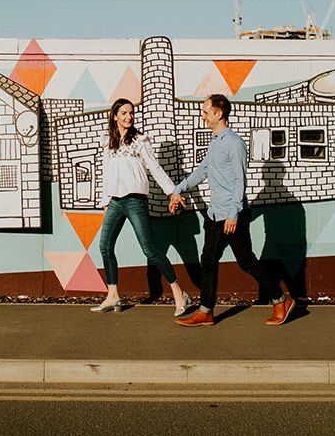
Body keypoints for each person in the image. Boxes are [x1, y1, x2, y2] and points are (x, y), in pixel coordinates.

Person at [170, 94, 295, 327]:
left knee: (246, 262)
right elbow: (202, 170)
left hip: (230, 215)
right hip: (214, 214)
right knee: (208, 260)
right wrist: (178, 189)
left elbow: (240, 181)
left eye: (206, 111)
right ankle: (206, 311)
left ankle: (281, 299)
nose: (203, 115)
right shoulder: (215, 141)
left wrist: (233, 213)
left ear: (219, 113)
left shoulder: (234, 143)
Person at [91, 98, 190, 317]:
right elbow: (105, 174)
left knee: (150, 250)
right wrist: (105, 202)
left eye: (131, 113)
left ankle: (178, 293)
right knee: (105, 247)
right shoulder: (108, 142)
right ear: (115, 116)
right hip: (115, 201)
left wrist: (172, 191)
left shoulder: (139, 140)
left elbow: (154, 168)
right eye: (124, 113)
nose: (129, 117)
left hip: (135, 200)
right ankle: (113, 295)